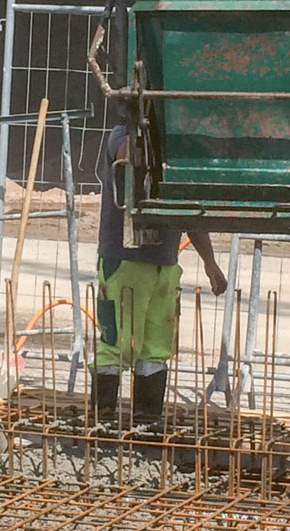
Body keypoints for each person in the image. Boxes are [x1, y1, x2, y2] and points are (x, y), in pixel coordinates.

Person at [93, 123, 227, 430]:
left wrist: (210, 262)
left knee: (155, 349)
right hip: (124, 261)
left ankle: (146, 422)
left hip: (165, 265)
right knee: (116, 344)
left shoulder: (179, 146)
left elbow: (189, 212)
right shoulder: (122, 134)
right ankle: (102, 423)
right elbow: (126, 158)